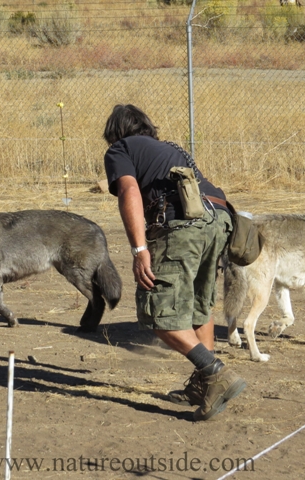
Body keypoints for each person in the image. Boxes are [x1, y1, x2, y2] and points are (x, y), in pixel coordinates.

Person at [102, 104, 246, 421]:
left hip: (185, 225)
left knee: (157, 312)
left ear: (116, 133)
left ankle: (216, 373)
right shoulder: (170, 149)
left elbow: (128, 190)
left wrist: (139, 249)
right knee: (198, 306)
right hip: (221, 220)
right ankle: (203, 385)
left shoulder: (120, 149)